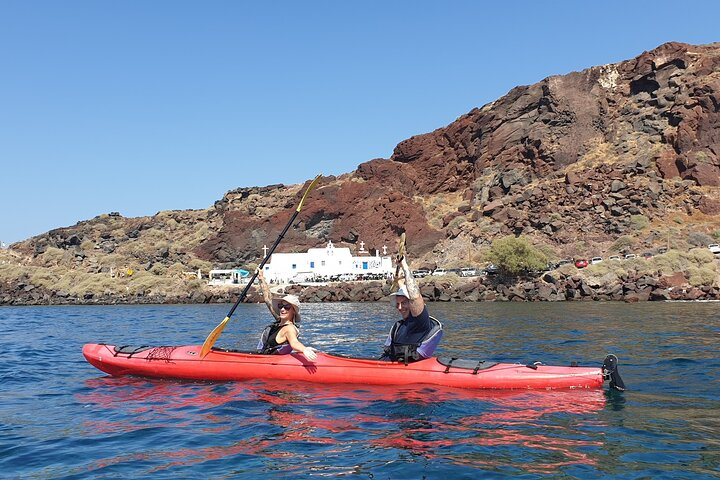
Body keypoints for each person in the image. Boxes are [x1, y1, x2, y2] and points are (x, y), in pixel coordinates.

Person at [381, 255, 443, 363]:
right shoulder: (398, 326)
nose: (400, 307)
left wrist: (404, 266)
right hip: (388, 365)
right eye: (398, 304)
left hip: (407, 368)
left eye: (404, 303)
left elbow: (414, 296)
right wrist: (399, 281)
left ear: (411, 304)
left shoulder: (420, 322)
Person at [256, 268, 318, 361]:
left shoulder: (290, 328)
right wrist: (261, 278)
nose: (282, 309)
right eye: (281, 306)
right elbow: (268, 299)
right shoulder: (279, 321)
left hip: (270, 362)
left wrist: (304, 349)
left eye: (287, 307)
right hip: (261, 357)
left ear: (293, 311)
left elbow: (294, 342)